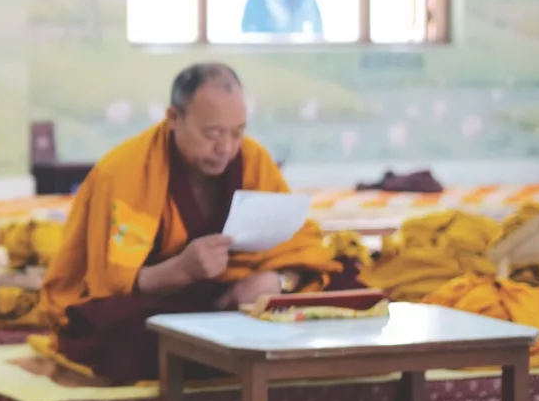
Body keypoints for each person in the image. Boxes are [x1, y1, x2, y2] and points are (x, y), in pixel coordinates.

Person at [37, 62, 349, 383]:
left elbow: (301, 246)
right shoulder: (121, 172)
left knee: (350, 292)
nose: (226, 148)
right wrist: (181, 270)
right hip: (158, 304)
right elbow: (107, 282)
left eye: (237, 132)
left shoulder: (253, 160)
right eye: (212, 133)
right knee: (123, 342)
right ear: (174, 118)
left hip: (239, 294)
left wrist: (279, 281)